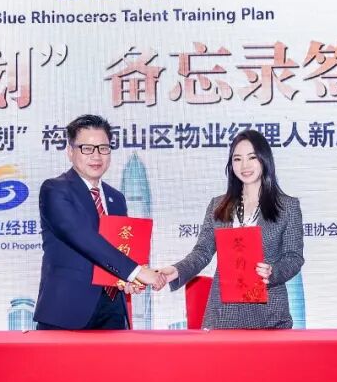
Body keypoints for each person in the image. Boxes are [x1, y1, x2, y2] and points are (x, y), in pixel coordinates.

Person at [158, 129, 304, 329]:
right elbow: (202, 252)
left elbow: (294, 257)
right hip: (224, 314)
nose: (244, 166)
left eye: (252, 157)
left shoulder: (287, 206)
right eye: (237, 159)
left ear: (264, 160)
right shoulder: (218, 205)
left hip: (269, 314)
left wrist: (273, 272)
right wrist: (175, 271)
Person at [34, 114, 166, 330]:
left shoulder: (116, 198)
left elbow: (120, 249)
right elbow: (82, 237)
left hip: (113, 311)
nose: (96, 156)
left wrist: (129, 281)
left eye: (103, 148)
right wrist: (137, 272)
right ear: (70, 152)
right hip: (66, 311)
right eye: (87, 148)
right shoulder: (55, 189)